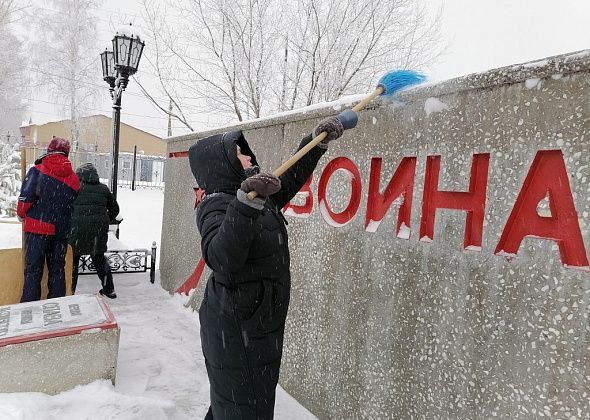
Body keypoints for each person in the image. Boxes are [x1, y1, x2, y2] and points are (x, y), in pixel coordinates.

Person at [189, 116, 346, 420]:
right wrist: (244, 205)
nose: (249, 157)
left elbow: (288, 178)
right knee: (244, 409)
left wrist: (315, 142)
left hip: (256, 324)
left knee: (239, 406)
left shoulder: (255, 198)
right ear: (223, 165)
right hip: (237, 329)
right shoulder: (216, 204)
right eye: (240, 154)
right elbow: (220, 257)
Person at [17, 137, 80, 302]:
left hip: (38, 229)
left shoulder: (37, 170)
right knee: (57, 269)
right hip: (61, 230)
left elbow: (26, 199)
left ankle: (29, 307)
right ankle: (56, 306)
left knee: (33, 270)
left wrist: (21, 214)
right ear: (66, 153)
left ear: (49, 151)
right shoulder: (73, 178)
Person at [69, 163, 119, 299]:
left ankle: (70, 291)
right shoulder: (103, 189)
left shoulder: (73, 187)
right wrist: (104, 220)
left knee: (72, 261)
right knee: (99, 259)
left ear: (78, 174)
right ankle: (109, 289)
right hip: (97, 231)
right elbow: (115, 209)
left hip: (76, 230)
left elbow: (65, 206)